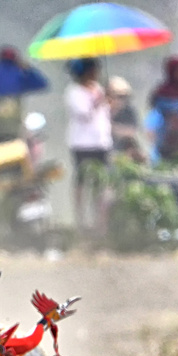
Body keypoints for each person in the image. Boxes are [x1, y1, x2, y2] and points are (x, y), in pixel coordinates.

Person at [64, 58, 112, 229]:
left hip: (101, 142)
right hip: (82, 143)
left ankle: (101, 221)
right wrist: (99, 100)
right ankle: (81, 221)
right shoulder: (74, 92)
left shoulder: (98, 89)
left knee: (103, 182)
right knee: (82, 181)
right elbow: (84, 114)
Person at [108, 76, 144, 161]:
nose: (122, 100)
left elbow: (131, 132)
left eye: (124, 97)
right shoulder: (103, 111)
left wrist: (114, 128)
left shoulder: (129, 111)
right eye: (119, 96)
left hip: (123, 150)